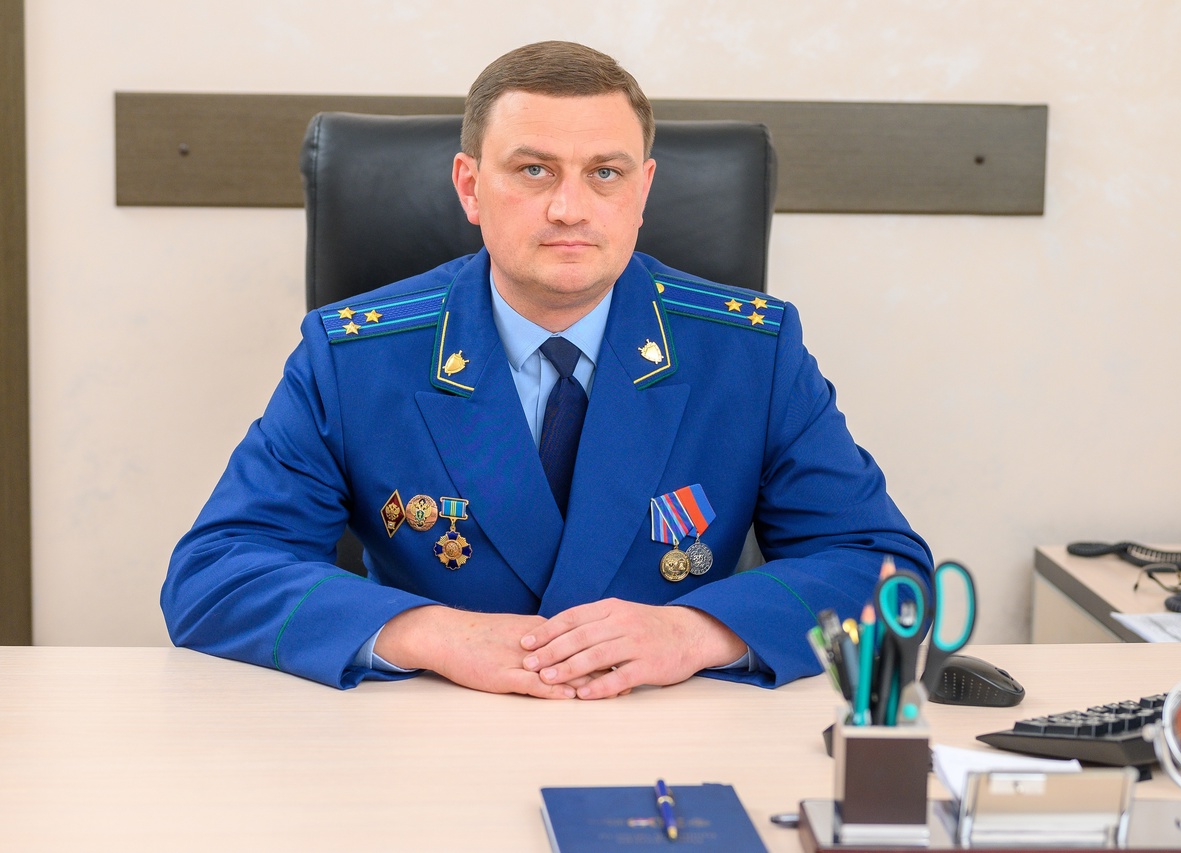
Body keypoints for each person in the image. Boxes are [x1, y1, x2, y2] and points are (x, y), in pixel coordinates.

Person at [161, 41, 931, 701]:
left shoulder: (752, 353)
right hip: (429, 730)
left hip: (671, 727)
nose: (570, 207)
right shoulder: (355, 355)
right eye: (534, 169)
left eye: (605, 173)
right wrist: (426, 632)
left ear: (643, 191)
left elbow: (886, 570)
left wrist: (698, 631)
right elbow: (215, 573)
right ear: (470, 186)